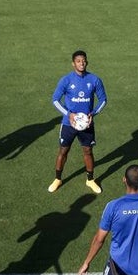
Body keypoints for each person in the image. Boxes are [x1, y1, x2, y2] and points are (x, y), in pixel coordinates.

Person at [50, 50, 106, 195]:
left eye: (84, 60)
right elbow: (55, 99)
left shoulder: (94, 80)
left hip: (86, 124)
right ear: (73, 63)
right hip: (69, 124)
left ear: (86, 62)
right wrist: (69, 115)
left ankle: (90, 180)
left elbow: (103, 99)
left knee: (88, 151)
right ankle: (58, 179)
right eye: (79, 61)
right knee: (63, 150)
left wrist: (93, 114)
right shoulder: (66, 80)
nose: (82, 63)